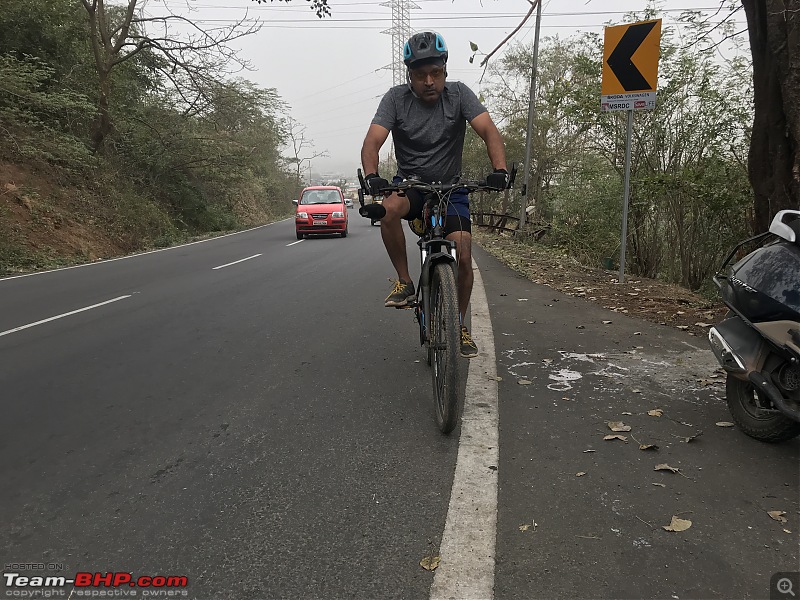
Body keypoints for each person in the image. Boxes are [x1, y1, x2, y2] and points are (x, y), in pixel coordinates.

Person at [360, 31, 508, 358]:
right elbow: (372, 141)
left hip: (451, 188)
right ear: (409, 76)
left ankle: (458, 323)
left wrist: (499, 169)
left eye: (435, 73)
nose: (429, 81)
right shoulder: (395, 99)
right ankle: (404, 281)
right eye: (420, 75)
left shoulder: (459, 96)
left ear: (445, 70)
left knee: (464, 255)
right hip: (411, 186)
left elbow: (488, 130)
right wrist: (372, 176)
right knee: (387, 211)